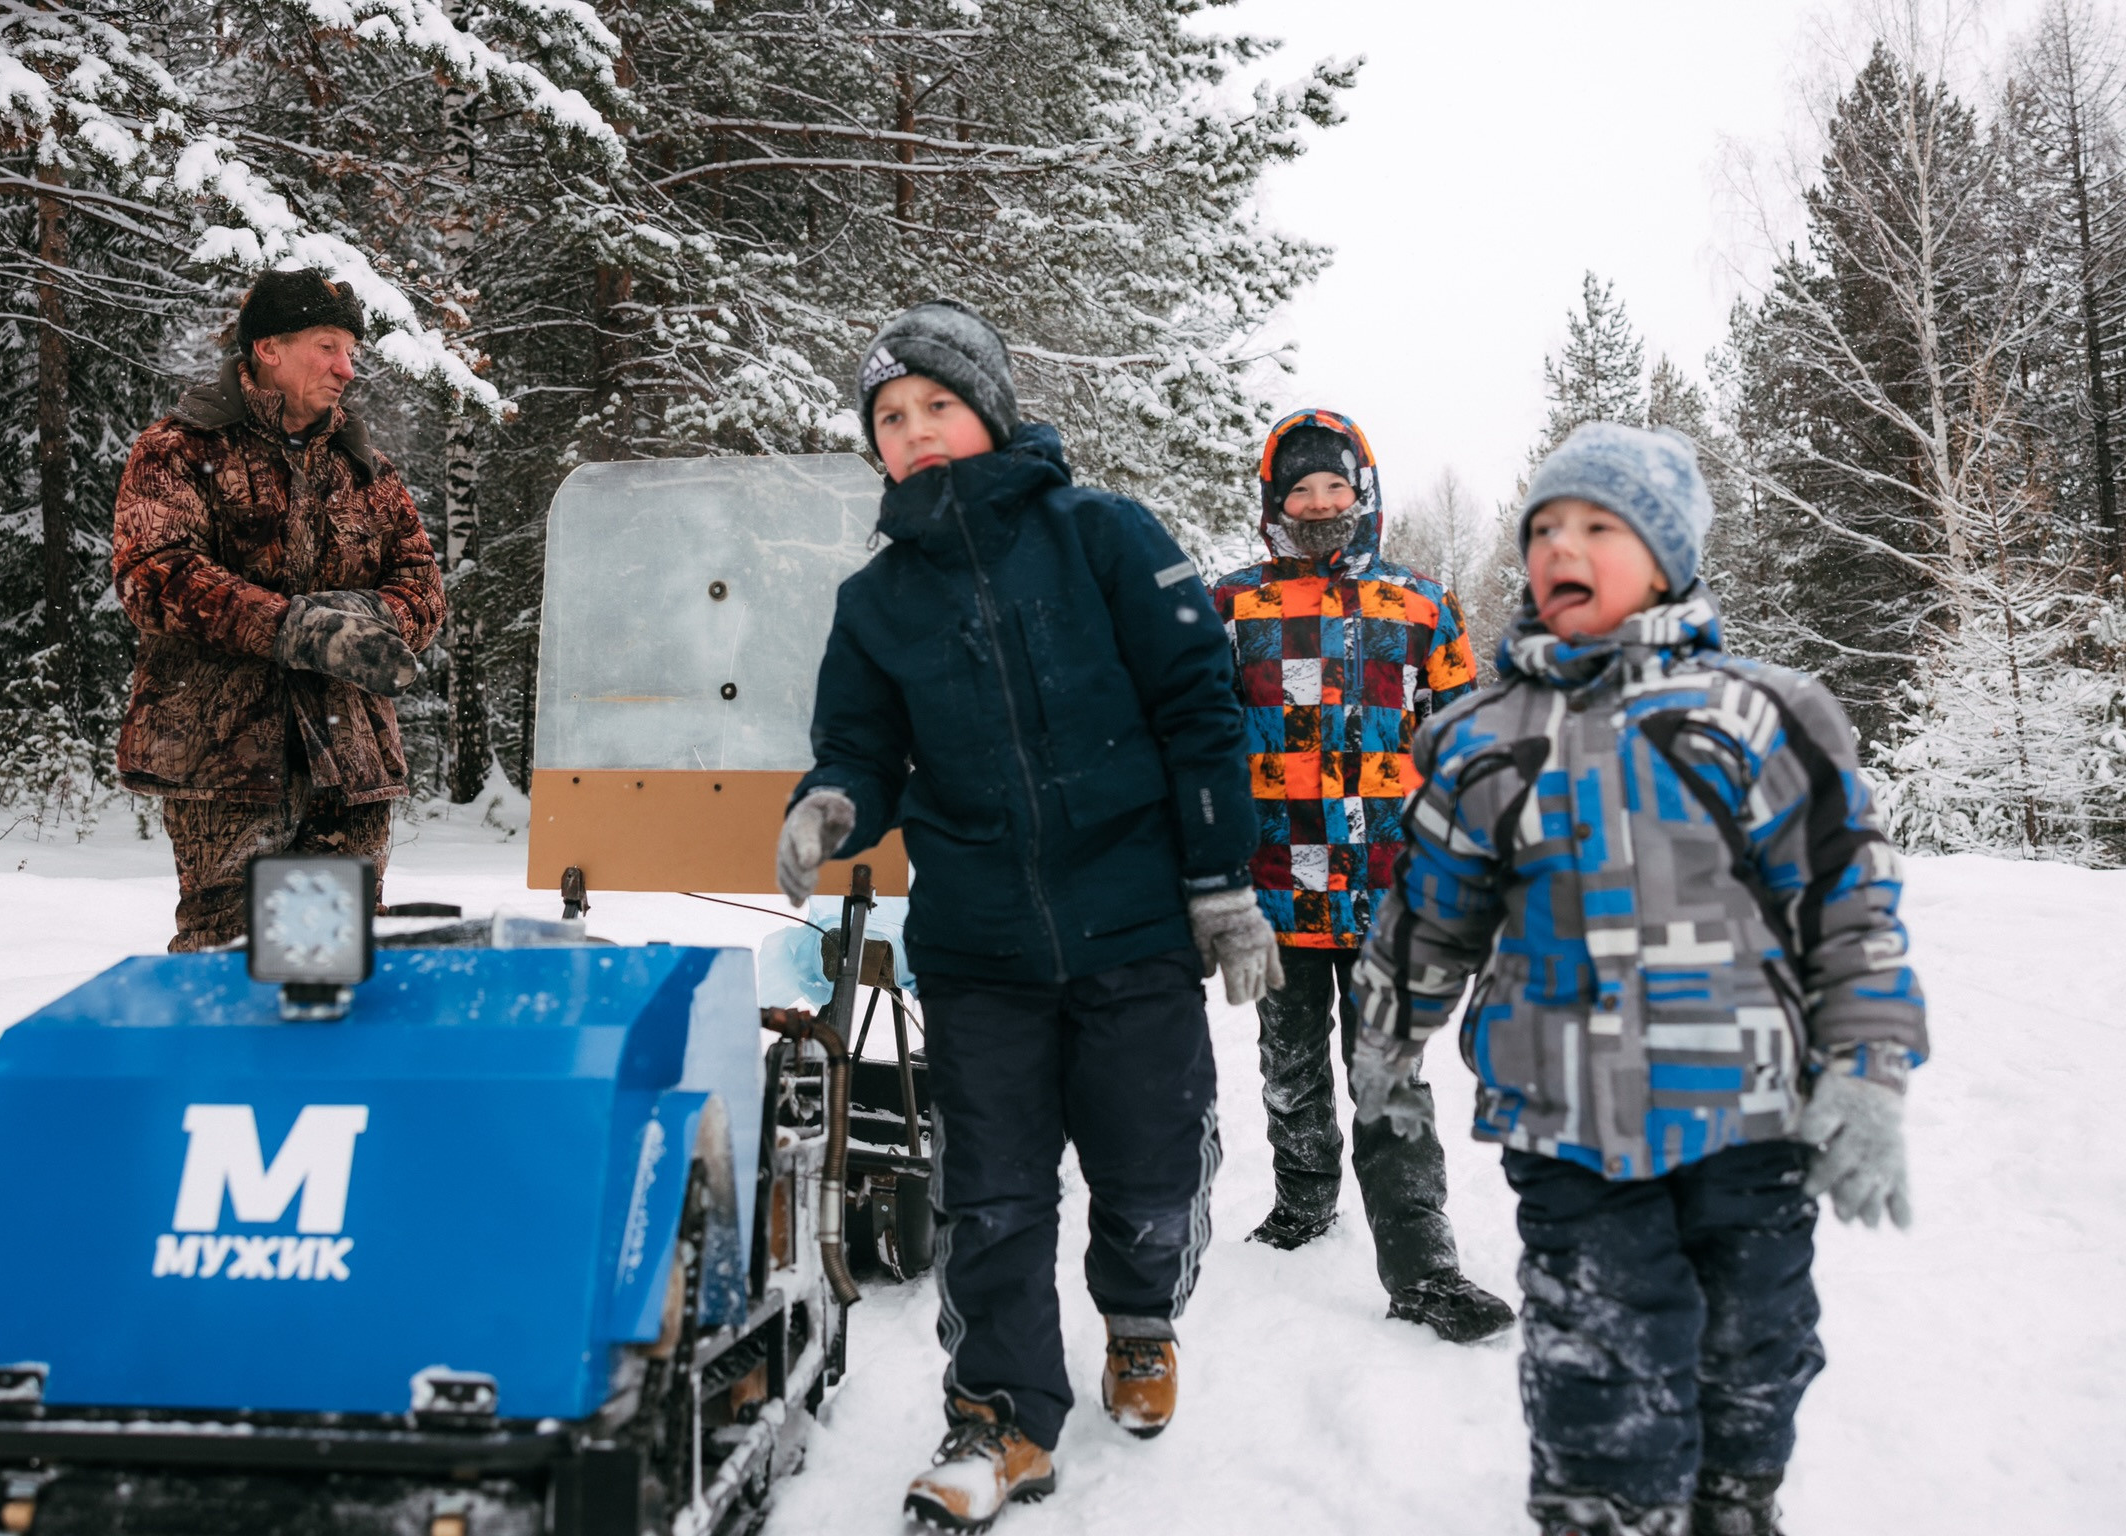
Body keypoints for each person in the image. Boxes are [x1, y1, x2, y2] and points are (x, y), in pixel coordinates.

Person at [1344, 422, 1929, 1536]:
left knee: (1755, 1344)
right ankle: (1605, 1510)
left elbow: (1850, 907)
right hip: (1568, 1123)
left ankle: (1734, 1500)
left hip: (1750, 1117)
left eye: (1597, 527)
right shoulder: (1484, 739)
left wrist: (1868, 1068)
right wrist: (1386, 1039)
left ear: (1666, 558)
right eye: (1544, 529)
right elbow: (1431, 914)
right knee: (1599, 1354)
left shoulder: (1761, 716)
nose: (1561, 547)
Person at [773, 300, 1276, 1533]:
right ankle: (1001, 1417)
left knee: (1150, 1169)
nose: (914, 430)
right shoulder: (876, 602)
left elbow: (1200, 709)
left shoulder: (1104, 535)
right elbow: (859, 747)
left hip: (1134, 925)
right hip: (979, 944)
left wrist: (1221, 881)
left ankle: (1141, 1316)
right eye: (891, 417)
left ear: (992, 412)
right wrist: (832, 804)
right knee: (988, 1193)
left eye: (938, 404)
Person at [1207, 409, 1515, 1345]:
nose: (1318, 503)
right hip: (1274, 885)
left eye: (1334, 486)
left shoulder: (1420, 604)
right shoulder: (1231, 607)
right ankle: (1303, 1202)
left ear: (1362, 491)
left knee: (1390, 1077)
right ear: (1275, 500)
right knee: (1290, 1067)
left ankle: (1424, 1268)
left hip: (1389, 887)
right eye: (1300, 489)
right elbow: (1198, 744)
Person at [113, 269, 444, 950]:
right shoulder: (178, 449)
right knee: (229, 965)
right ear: (268, 348)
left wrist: (358, 616)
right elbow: (155, 575)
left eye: (350, 351)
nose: (346, 369)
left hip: (350, 766)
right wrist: (295, 629)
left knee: (336, 967)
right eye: (328, 348)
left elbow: (424, 590)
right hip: (226, 763)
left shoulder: (365, 470)